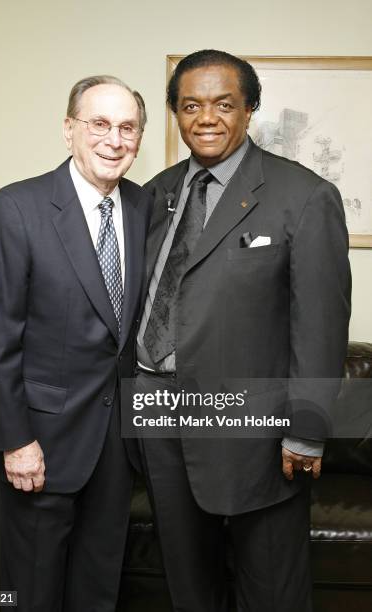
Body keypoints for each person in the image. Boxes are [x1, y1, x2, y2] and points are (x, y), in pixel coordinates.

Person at [135, 50, 351, 612]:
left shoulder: (303, 196)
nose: (207, 118)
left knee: (272, 585)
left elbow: (321, 325)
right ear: (176, 115)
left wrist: (305, 430)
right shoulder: (155, 194)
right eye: (191, 105)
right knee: (188, 581)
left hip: (254, 426)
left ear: (250, 109)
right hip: (159, 414)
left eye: (224, 104)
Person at [0, 75, 151, 612]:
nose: (113, 140)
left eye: (127, 127)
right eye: (99, 123)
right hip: (40, 443)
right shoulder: (16, 208)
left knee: (98, 588)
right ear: (69, 129)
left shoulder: (145, 208)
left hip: (118, 446)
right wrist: (15, 441)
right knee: (30, 590)